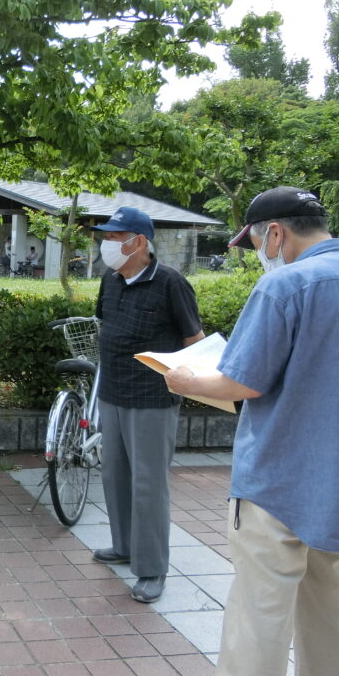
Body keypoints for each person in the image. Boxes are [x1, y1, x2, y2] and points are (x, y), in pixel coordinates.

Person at [170, 187, 339, 676]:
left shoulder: (284, 285)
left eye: (255, 242)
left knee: (259, 614)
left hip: (278, 477)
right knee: (336, 607)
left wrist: (184, 378)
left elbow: (240, 381)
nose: (259, 254)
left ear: (275, 232)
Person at [90, 206, 204, 603]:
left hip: (152, 398)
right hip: (112, 392)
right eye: (105, 237)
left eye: (114, 237)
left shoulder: (170, 282)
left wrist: (190, 382)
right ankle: (124, 545)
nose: (106, 244)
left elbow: (195, 341)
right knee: (114, 475)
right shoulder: (111, 280)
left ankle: (152, 568)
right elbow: (105, 324)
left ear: (139, 242)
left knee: (148, 484)